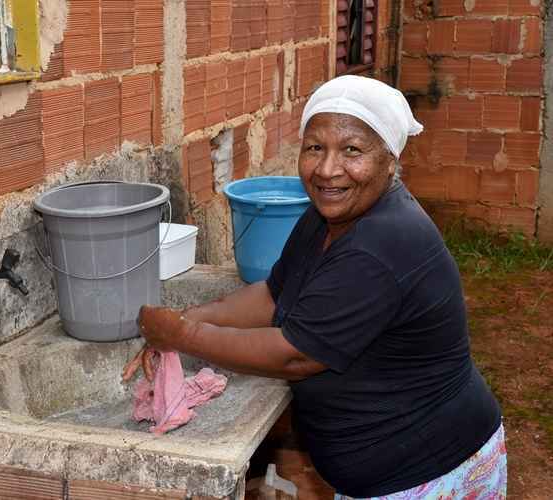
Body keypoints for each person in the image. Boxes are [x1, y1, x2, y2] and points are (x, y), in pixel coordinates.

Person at [124, 75, 506, 499]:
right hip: (398, 468)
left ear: (391, 160)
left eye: (352, 150)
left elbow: (295, 356)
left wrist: (182, 335)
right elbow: (274, 293)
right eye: (314, 147)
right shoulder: (326, 216)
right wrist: (189, 317)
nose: (327, 169)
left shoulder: (380, 244)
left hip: (429, 476)